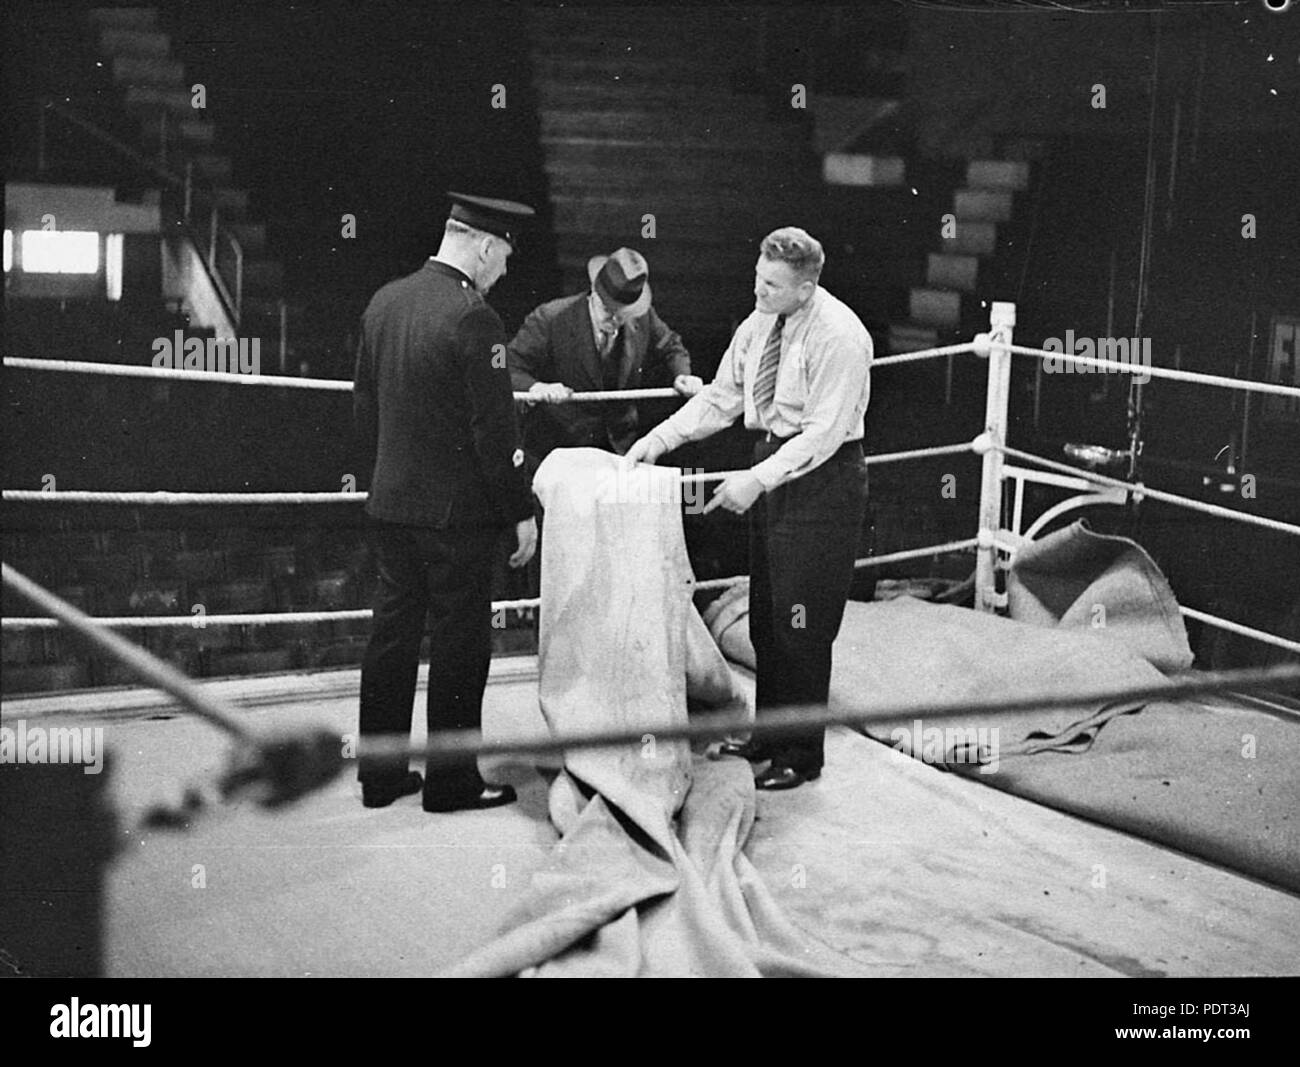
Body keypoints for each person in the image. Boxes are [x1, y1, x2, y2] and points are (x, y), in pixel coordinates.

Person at [624, 227, 871, 790]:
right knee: (766, 617)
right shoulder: (759, 323)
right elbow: (721, 397)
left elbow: (824, 434)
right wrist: (659, 441)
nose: (760, 292)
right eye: (758, 279)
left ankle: (801, 754)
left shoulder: (841, 336)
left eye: (774, 286)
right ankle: (769, 734)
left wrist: (755, 481)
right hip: (773, 467)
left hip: (822, 480)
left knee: (801, 625)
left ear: (807, 288)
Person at [353, 192, 538, 813]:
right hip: (455, 518)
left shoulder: (385, 300)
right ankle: (452, 782)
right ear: (485, 247)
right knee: (461, 645)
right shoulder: (475, 318)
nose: (505, 270)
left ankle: (379, 777)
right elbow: (496, 432)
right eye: (504, 256)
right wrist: (519, 510)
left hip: (389, 504)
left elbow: (364, 411)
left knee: (391, 637)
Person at [507, 247, 703, 462]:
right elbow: (509, 367)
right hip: (561, 448)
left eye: (622, 314)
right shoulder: (550, 318)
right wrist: (538, 388)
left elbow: (671, 345)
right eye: (608, 310)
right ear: (594, 291)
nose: (614, 319)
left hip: (620, 446)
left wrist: (682, 374)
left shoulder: (642, 316)